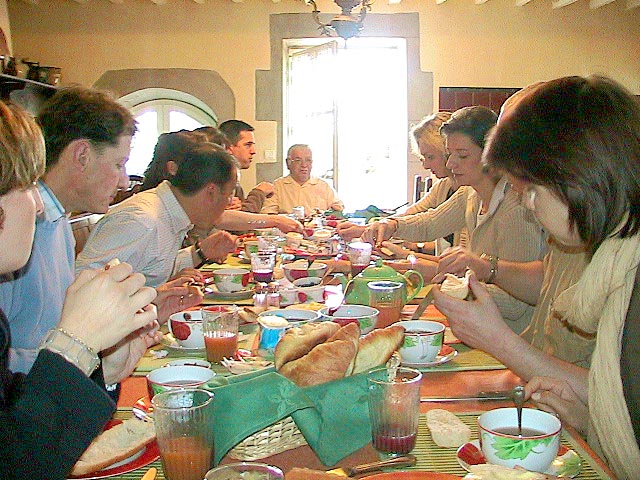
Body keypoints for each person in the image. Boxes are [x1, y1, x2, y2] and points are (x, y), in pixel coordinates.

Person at [436, 75, 640, 478]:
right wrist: (587, 418)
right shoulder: (616, 254)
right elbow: (624, 403)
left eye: (531, 191)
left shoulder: (629, 277)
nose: (529, 207)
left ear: (574, 173)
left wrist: (498, 339)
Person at [0, 99, 158, 479]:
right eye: (23, 186)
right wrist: (76, 346)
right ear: (82, 154)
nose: (37, 204)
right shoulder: (32, 240)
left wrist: (99, 369)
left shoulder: (59, 228)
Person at [0, 87, 194, 375]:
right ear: (81, 155)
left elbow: (64, 327)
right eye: (119, 164)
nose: (125, 181)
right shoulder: (13, 233)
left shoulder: (58, 223)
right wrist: (86, 355)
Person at [363, 106, 546, 334]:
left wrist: (450, 280)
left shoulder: (516, 211)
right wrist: (392, 225)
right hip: (478, 328)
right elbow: (429, 223)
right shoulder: (469, 194)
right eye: (449, 155)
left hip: (511, 339)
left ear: (491, 154)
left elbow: (516, 305)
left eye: (463, 155)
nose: (451, 164)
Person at [76, 143, 302, 287]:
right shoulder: (141, 220)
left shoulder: (171, 211)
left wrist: (199, 252)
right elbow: (82, 291)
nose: (228, 206)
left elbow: (153, 268)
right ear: (211, 192)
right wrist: (154, 297)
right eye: (228, 197)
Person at [261, 144, 344, 216]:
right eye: (298, 160)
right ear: (288, 163)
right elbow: (268, 214)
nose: (304, 165)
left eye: (308, 160)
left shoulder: (324, 186)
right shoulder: (277, 186)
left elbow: (338, 210)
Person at [219, 119, 274, 213]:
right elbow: (240, 220)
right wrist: (259, 193)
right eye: (248, 145)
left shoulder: (233, 175)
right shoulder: (221, 178)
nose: (253, 151)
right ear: (228, 148)